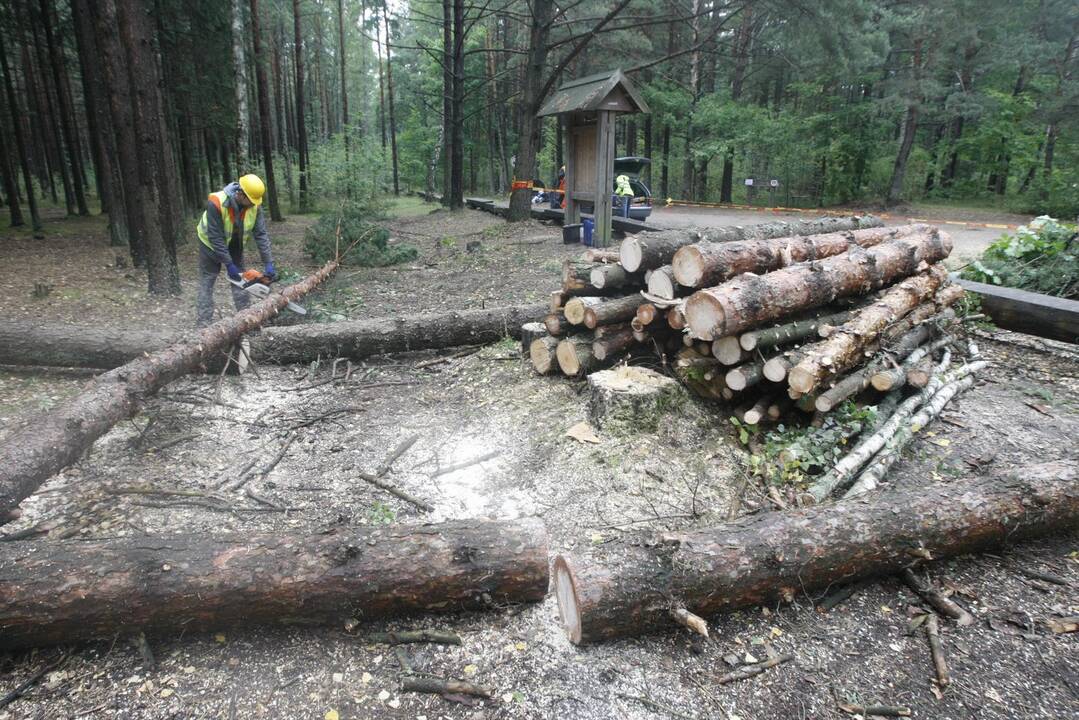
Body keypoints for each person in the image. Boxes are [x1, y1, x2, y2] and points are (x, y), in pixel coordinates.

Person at [195, 174, 275, 327]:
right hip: (209, 244)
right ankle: (203, 323)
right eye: (250, 201)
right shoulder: (216, 202)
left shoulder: (255, 206)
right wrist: (228, 264)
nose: (253, 204)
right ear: (240, 193)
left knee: (241, 281)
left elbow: (261, 234)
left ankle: (245, 316)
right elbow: (216, 238)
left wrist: (268, 262)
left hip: (235, 244)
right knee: (208, 279)